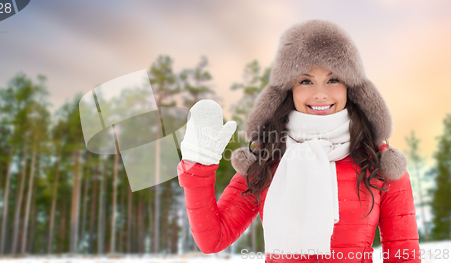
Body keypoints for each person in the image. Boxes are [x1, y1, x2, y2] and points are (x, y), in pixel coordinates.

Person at [177, 20, 421, 263]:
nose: (320, 94)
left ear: (351, 87)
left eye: (333, 79)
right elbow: (213, 239)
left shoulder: (380, 163)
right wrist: (199, 166)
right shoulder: (266, 159)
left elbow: (403, 257)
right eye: (305, 81)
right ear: (288, 89)